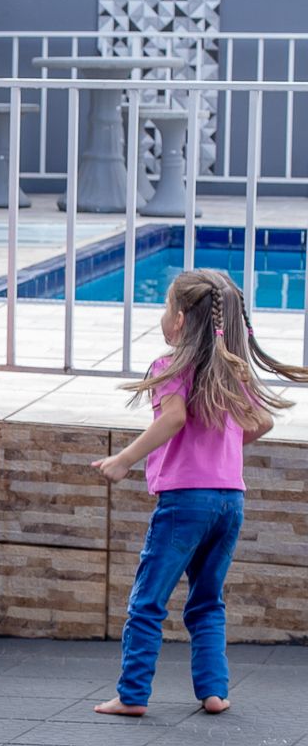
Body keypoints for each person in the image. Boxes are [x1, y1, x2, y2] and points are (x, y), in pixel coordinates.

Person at [91, 269, 307, 717]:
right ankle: (214, 692)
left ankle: (132, 695)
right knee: (208, 599)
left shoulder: (168, 369)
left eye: (166, 307)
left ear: (181, 319)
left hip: (185, 502)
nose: (162, 316)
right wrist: (222, 451)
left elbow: (173, 419)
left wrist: (124, 459)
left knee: (148, 600)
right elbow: (263, 422)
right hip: (230, 501)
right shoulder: (232, 371)